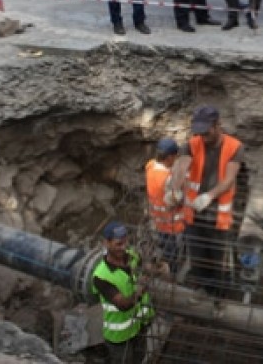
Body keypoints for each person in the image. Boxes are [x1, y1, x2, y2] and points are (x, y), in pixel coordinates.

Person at [171, 105, 244, 315]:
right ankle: (203, 288)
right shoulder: (193, 144)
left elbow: (229, 180)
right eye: (199, 131)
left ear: (217, 125)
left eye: (206, 131)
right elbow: (182, 166)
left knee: (219, 260)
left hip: (218, 216)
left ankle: (220, 299)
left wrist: (208, 196)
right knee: (198, 256)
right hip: (193, 214)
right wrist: (175, 187)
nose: (202, 136)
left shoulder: (234, 147)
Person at [91, 221, 155, 364]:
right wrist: (141, 288)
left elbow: (144, 267)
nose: (124, 247)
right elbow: (123, 304)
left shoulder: (131, 255)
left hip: (139, 325)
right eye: (118, 244)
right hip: (119, 335)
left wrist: (156, 268)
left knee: (139, 358)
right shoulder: (101, 276)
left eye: (126, 242)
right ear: (106, 243)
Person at [145, 138, 186, 278]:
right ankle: (172, 274)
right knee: (173, 251)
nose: (176, 159)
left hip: (158, 220)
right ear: (169, 157)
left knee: (165, 246)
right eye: (175, 156)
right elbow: (177, 200)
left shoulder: (150, 166)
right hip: (172, 224)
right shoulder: (167, 178)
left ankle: (167, 266)